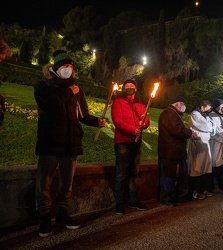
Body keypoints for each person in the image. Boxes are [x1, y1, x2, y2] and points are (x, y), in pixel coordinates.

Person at [34, 50, 106, 237]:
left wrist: (96, 121)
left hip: (70, 142)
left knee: (67, 182)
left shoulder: (77, 90)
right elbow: (48, 106)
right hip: (50, 141)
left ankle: (62, 213)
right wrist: (67, 92)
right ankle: (44, 216)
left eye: (72, 67)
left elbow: (83, 115)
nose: (69, 70)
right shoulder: (43, 86)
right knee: (45, 181)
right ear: (56, 69)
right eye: (66, 66)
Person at [111, 78, 150, 215]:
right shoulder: (118, 102)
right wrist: (132, 130)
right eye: (126, 86)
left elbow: (146, 119)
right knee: (121, 173)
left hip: (136, 142)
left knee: (133, 172)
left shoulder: (140, 104)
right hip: (123, 141)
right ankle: (119, 202)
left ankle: (133, 199)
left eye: (131, 86)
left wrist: (143, 124)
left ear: (136, 89)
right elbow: (117, 120)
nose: (129, 87)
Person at [158, 96, 194, 206]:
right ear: (177, 104)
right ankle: (166, 198)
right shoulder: (170, 114)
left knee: (176, 175)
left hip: (174, 151)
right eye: (182, 104)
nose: (183, 107)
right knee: (169, 176)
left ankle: (178, 196)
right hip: (170, 151)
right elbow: (177, 130)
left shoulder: (172, 113)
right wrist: (189, 132)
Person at [187, 100, 216, 200]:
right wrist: (210, 125)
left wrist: (210, 125)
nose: (209, 110)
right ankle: (195, 191)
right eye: (208, 108)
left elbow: (213, 127)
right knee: (197, 167)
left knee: (205, 167)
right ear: (202, 107)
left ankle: (203, 189)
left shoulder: (205, 116)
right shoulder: (195, 114)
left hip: (205, 143)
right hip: (198, 143)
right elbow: (207, 126)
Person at [209, 98, 223, 192]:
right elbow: (216, 129)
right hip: (216, 143)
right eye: (222, 105)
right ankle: (216, 185)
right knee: (216, 164)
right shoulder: (212, 115)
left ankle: (222, 183)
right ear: (218, 106)